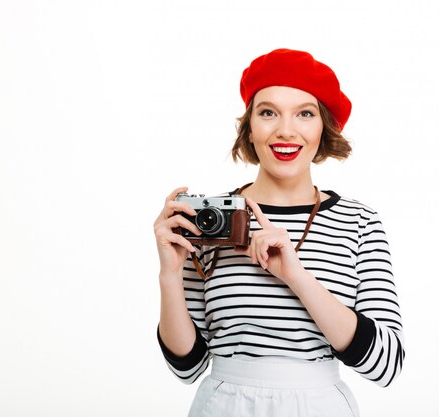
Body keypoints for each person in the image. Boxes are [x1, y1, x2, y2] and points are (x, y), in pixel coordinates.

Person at [154, 48, 404, 417]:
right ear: (250, 129)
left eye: (305, 113)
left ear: (323, 128)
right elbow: (186, 367)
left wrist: (296, 275)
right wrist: (169, 275)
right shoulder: (211, 220)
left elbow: (386, 364)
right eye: (268, 112)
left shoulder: (359, 221)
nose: (286, 130)